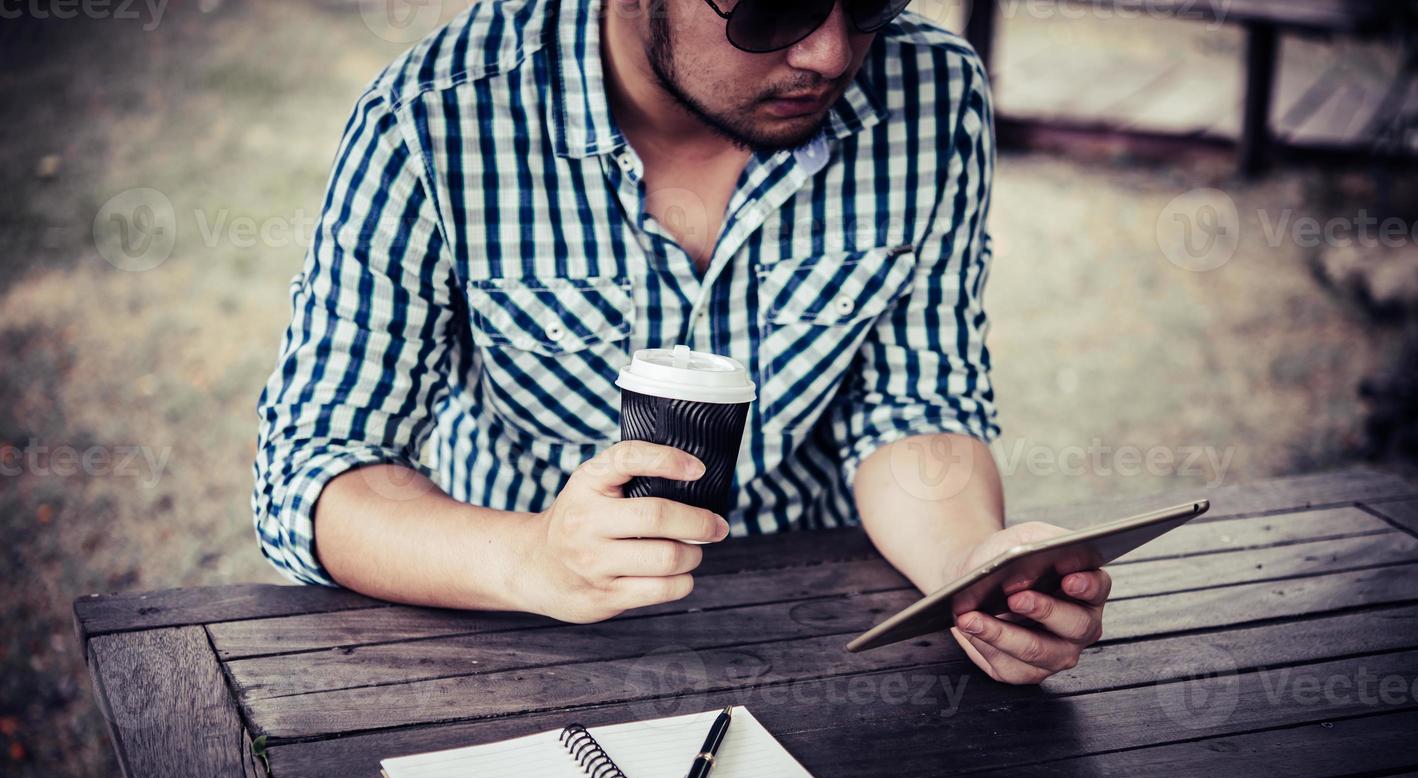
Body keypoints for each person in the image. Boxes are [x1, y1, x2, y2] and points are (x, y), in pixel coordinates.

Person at [252, 0, 1110, 684]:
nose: (831, 54)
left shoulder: (931, 89)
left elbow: (914, 406)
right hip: (514, 641)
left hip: (813, 631)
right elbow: (314, 469)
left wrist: (971, 567)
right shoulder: (437, 115)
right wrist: (534, 558)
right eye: (774, 10)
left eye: (873, 0)